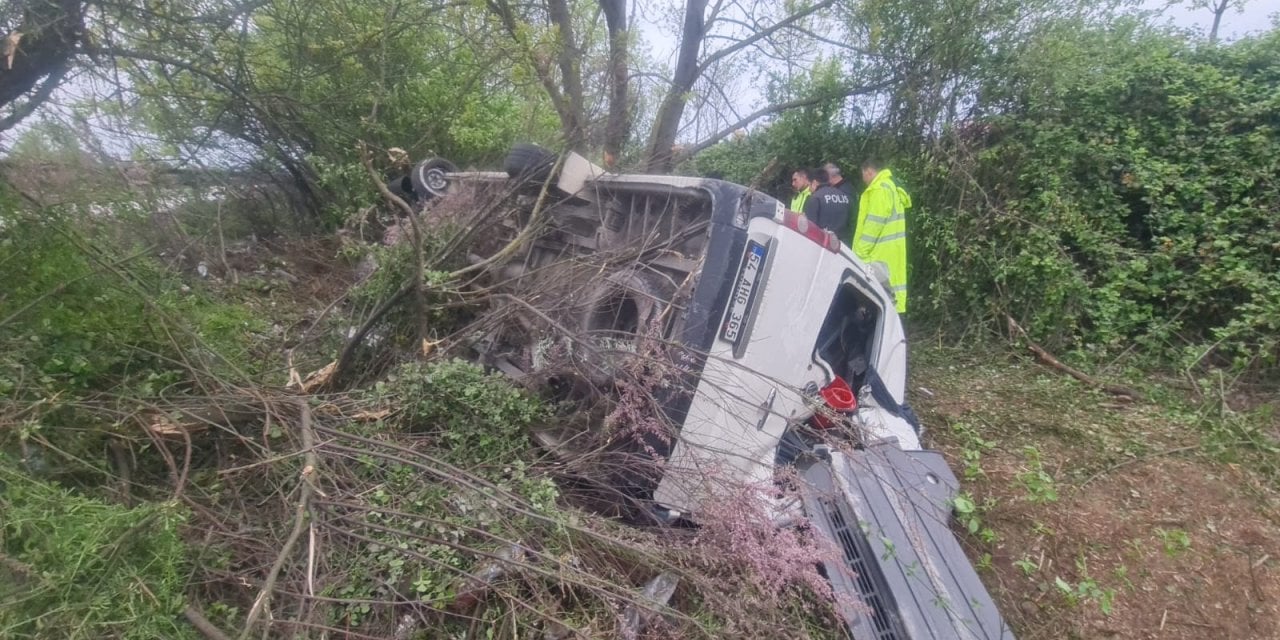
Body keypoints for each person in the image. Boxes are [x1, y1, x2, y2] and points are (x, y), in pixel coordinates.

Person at [854, 159, 912, 314]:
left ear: (869, 171)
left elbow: (874, 224)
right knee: (888, 302)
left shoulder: (880, 189)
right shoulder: (891, 187)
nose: (863, 179)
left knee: (877, 302)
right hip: (889, 252)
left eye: (863, 175)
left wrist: (860, 253)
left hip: (878, 254)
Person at [802, 167, 851, 240]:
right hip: (843, 245)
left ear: (814, 182)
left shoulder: (815, 198)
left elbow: (810, 227)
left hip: (823, 243)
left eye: (809, 185)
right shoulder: (844, 196)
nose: (809, 189)